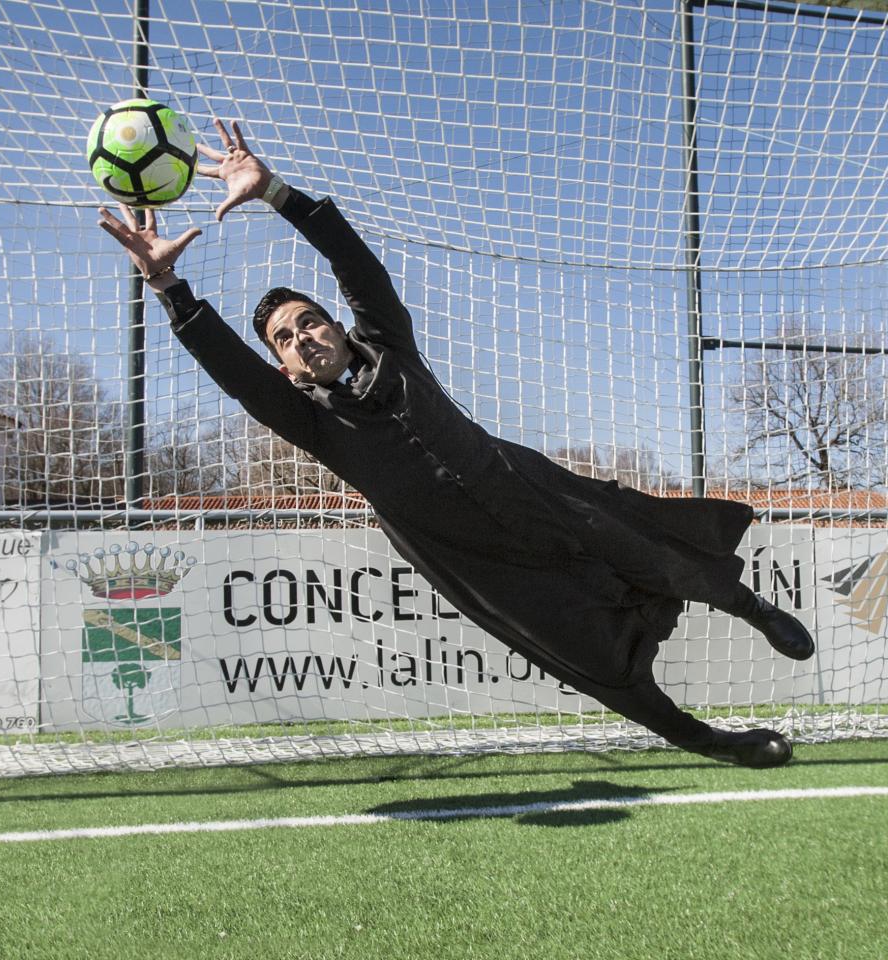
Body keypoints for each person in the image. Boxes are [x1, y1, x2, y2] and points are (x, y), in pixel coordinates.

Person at [96, 120, 814, 767]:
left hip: (532, 491)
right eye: (285, 338)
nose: (303, 337)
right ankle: (705, 740)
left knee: (659, 555)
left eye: (310, 320)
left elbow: (359, 269)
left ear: (338, 327)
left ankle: (751, 608)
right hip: (477, 556)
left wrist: (276, 193)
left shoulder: (390, 348)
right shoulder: (312, 422)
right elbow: (234, 373)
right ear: (285, 366)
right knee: (591, 656)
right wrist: (168, 287)